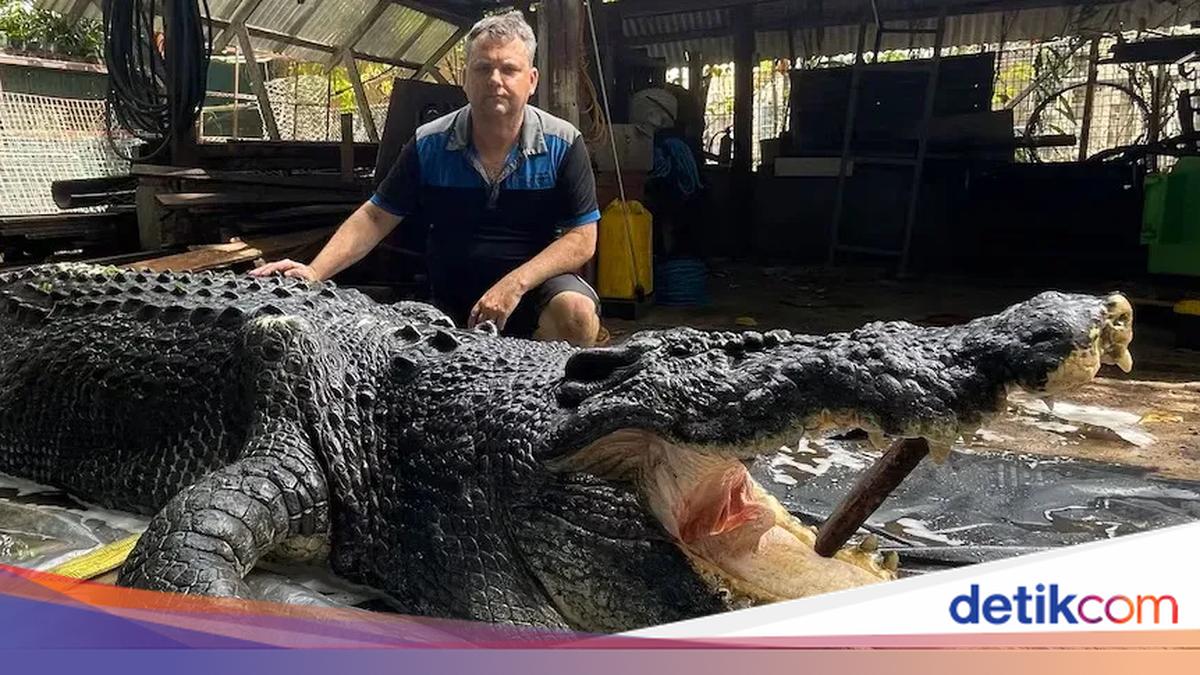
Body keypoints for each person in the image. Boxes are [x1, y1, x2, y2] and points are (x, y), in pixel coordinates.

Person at [250, 11, 601, 346]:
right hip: (450, 295)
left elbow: (582, 239)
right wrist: (314, 272)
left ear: (532, 80)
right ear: (466, 80)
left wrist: (514, 284)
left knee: (577, 316)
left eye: (509, 69)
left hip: (533, 289)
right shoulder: (429, 144)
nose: (495, 80)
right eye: (483, 68)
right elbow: (375, 216)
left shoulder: (563, 143)